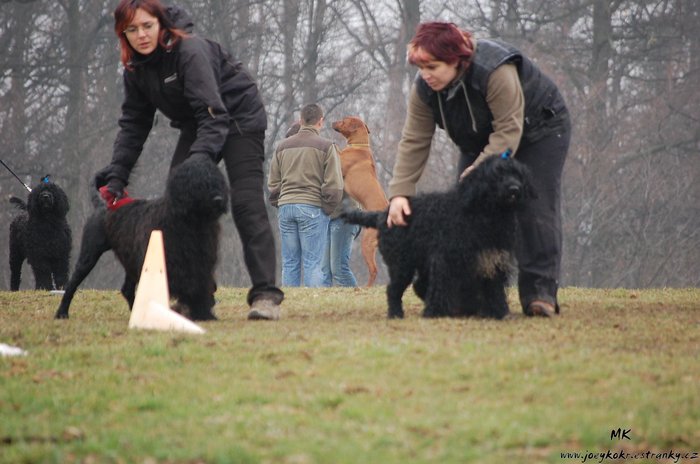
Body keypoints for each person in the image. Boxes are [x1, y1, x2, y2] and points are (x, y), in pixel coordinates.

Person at [96, 0, 284, 320]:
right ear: (122, 34)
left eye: (147, 26)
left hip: (239, 118)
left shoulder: (189, 51)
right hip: (199, 123)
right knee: (176, 205)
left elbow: (215, 113)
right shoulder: (136, 70)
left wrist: (199, 161)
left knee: (245, 202)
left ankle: (265, 295)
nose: (141, 35)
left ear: (161, 24)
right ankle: (198, 297)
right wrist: (117, 177)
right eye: (131, 29)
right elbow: (133, 126)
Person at [388, 22, 571, 317]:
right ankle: (468, 298)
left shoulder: (494, 70)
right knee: (466, 210)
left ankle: (539, 294)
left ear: (456, 59)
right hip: (481, 142)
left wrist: (478, 170)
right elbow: (414, 141)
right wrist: (399, 194)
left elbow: (508, 131)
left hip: (538, 131)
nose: (425, 75)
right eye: (420, 68)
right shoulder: (425, 89)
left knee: (533, 208)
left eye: (432, 66)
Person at [268, 104, 344, 287]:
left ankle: (290, 307)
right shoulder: (327, 146)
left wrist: (282, 202)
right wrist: (327, 209)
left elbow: (273, 183)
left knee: (290, 262)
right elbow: (334, 184)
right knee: (313, 264)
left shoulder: (281, 146)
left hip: (286, 208)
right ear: (321, 121)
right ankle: (312, 309)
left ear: (301, 121)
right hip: (312, 208)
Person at [322, 194, 361, 287]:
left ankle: (355, 299)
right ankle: (325, 301)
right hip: (329, 217)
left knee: (339, 270)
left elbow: (334, 187)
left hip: (344, 216)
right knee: (324, 271)